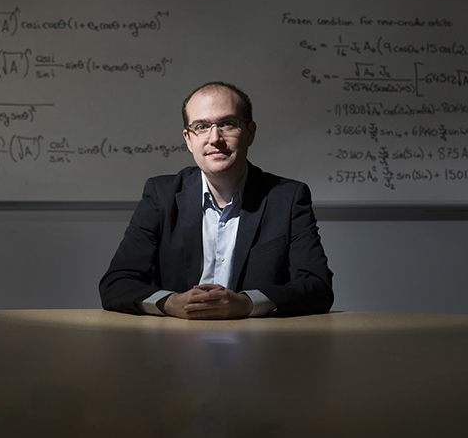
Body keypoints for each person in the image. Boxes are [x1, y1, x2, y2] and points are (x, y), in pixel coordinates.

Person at [99, 82, 333, 319]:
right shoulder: (161, 195)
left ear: (250, 132)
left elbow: (318, 287)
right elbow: (116, 284)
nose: (215, 138)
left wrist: (246, 303)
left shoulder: (288, 197)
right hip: (175, 342)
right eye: (201, 126)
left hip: (258, 342)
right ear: (189, 139)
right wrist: (169, 303)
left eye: (227, 124)